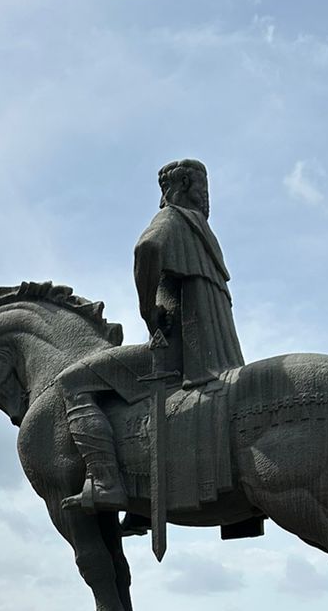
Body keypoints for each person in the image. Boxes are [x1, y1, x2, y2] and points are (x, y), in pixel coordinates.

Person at [58, 156, 244, 512]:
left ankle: (105, 481)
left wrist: (149, 311)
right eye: (203, 186)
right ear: (189, 186)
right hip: (217, 352)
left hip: (178, 349)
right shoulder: (203, 233)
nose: (206, 195)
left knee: (73, 382)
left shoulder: (171, 220)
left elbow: (147, 248)